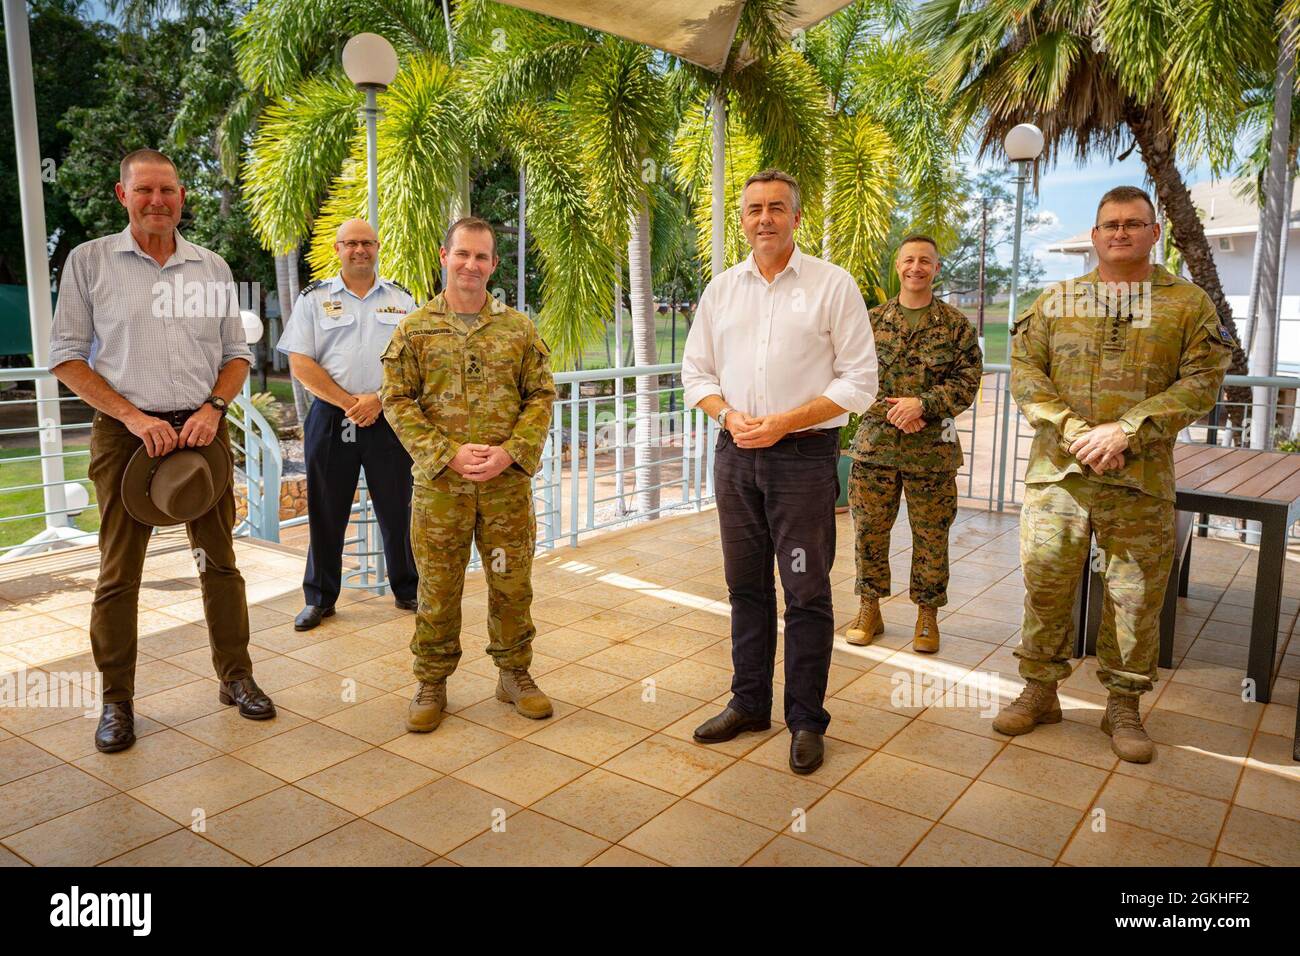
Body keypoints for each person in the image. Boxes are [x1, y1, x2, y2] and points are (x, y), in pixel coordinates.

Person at [994, 185, 1232, 763]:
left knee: (1134, 596)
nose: (1120, 232)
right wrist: (1075, 430)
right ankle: (1041, 691)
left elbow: (1202, 381)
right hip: (1060, 475)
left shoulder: (1187, 303)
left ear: (1155, 233)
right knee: (1046, 587)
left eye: (1133, 223)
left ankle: (1123, 705)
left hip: (1140, 479)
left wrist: (1128, 429)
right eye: (1110, 225)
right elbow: (1026, 374)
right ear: (1096, 236)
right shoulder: (1056, 301)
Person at [49, 148, 275, 753]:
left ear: (182, 197)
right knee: (119, 575)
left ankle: (236, 677)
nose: (158, 201)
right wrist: (131, 415)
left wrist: (214, 409)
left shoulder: (212, 268)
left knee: (219, 564)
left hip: (203, 433)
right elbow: (66, 356)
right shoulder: (89, 262)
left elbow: (237, 354)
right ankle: (116, 701)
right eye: (145, 190)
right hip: (126, 438)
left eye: (168, 190)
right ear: (123, 196)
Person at [682, 169, 878, 774]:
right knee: (745, 589)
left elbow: (859, 383)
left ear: (796, 217)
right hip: (735, 456)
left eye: (775, 208)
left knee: (806, 593)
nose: (763, 218)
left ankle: (805, 720)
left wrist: (786, 422)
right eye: (752, 210)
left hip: (803, 461)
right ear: (741, 219)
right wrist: (730, 414)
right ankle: (748, 704)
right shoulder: (722, 290)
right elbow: (696, 375)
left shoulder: (832, 286)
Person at [381, 217, 556, 733]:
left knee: (512, 583)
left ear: (493, 265)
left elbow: (541, 397)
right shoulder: (414, 329)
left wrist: (511, 453)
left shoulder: (518, 329)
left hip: (506, 487)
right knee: (437, 586)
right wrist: (446, 453)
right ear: (444, 256)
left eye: (482, 257)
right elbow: (396, 400)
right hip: (441, 489)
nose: (471, 265)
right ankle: (432, 681)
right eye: (463, 254)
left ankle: (514, 674)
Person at [276, 218, 419, 630]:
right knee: (326, 509)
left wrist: (377, 399)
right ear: (337, 249)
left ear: (377, 247)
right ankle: (319, 599)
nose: (360, 250)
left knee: (399, 507)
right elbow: (301, 362)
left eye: (367, 243)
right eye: (351, 243)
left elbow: (414, 361)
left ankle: (408, 590)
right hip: (331, 416)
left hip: (388, 414)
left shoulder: (401, 299)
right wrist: (348, 403)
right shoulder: (314, 299)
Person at [845, 236, 982, 653]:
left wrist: (923, 404)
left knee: (931, 536)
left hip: (932, 452)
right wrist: (895, 412)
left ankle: (927, 617)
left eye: (925, 261)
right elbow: (851, 374)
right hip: (876, 448)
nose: (916, 267)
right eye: (909, 260)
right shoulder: (870, 321)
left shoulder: (956, 325)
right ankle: (870, 608)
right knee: (869, 531)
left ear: (936, 268)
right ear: (898, 266)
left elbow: (967, 379)